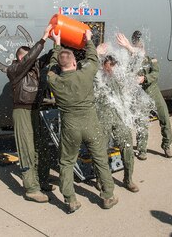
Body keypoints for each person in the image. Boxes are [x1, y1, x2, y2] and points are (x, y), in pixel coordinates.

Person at [47, 28, 118, 213]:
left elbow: (52, 66)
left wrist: (56, 44)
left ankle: (70, 199)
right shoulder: (85, 74)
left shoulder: (54, 80)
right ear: (75, 62)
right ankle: (108, 196)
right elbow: (93, 59)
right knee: (100, 158)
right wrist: (88, 40)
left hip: (70, 126)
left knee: (66, 162)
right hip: (90, 123)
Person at [6, 24, 54, 203]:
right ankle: (31, 189)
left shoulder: (33, 68)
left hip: (34, 110)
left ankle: (42, 181)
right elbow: (30, 59)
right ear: (22, 57)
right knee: (27, 149)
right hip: (22, 112)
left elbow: (48, 58)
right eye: (29, 58)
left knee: (40, 147)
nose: (34, 61)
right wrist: (43, 38)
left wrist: (57, 43)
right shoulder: (14, 70)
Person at [117, 31, 172, 160]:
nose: (141, 48)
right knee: (141, 122)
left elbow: (156, 74)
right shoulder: (130, 60)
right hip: (139, 95)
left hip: (153, 91)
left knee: (164, 117)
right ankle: (142, 150)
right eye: (138, 45)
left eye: (142, 46)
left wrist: (144, 78)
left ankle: (166, 145)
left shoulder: (151, 59)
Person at [94, 53, 139, 193]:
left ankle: (128, 179)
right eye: (109, 66)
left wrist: (130, 49)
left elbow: (133, 67)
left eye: (113, 66)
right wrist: (96, 54)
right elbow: (90, 68)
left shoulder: (119, 77)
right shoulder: (97, 77)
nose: (111, 69)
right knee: (101, 150)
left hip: (119, 117)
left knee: (127, 146)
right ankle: (100, 179)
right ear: (103, 65)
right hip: (102, 118)